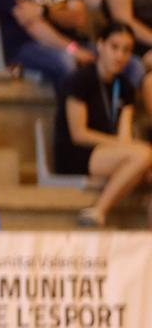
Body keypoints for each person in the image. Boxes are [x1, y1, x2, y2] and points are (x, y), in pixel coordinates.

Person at [57, 26, 151, 225]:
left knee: (145, 160)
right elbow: (78, 134)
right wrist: (120, 144)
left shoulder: (124, 86)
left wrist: (123, 145)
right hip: (77, 152)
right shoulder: (81, 79)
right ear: (100, 45)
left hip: (108, 151)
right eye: (114, 47)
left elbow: (124, 131)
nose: (120, 55)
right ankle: (97, 211)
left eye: (126, 50)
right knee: (143, 154)